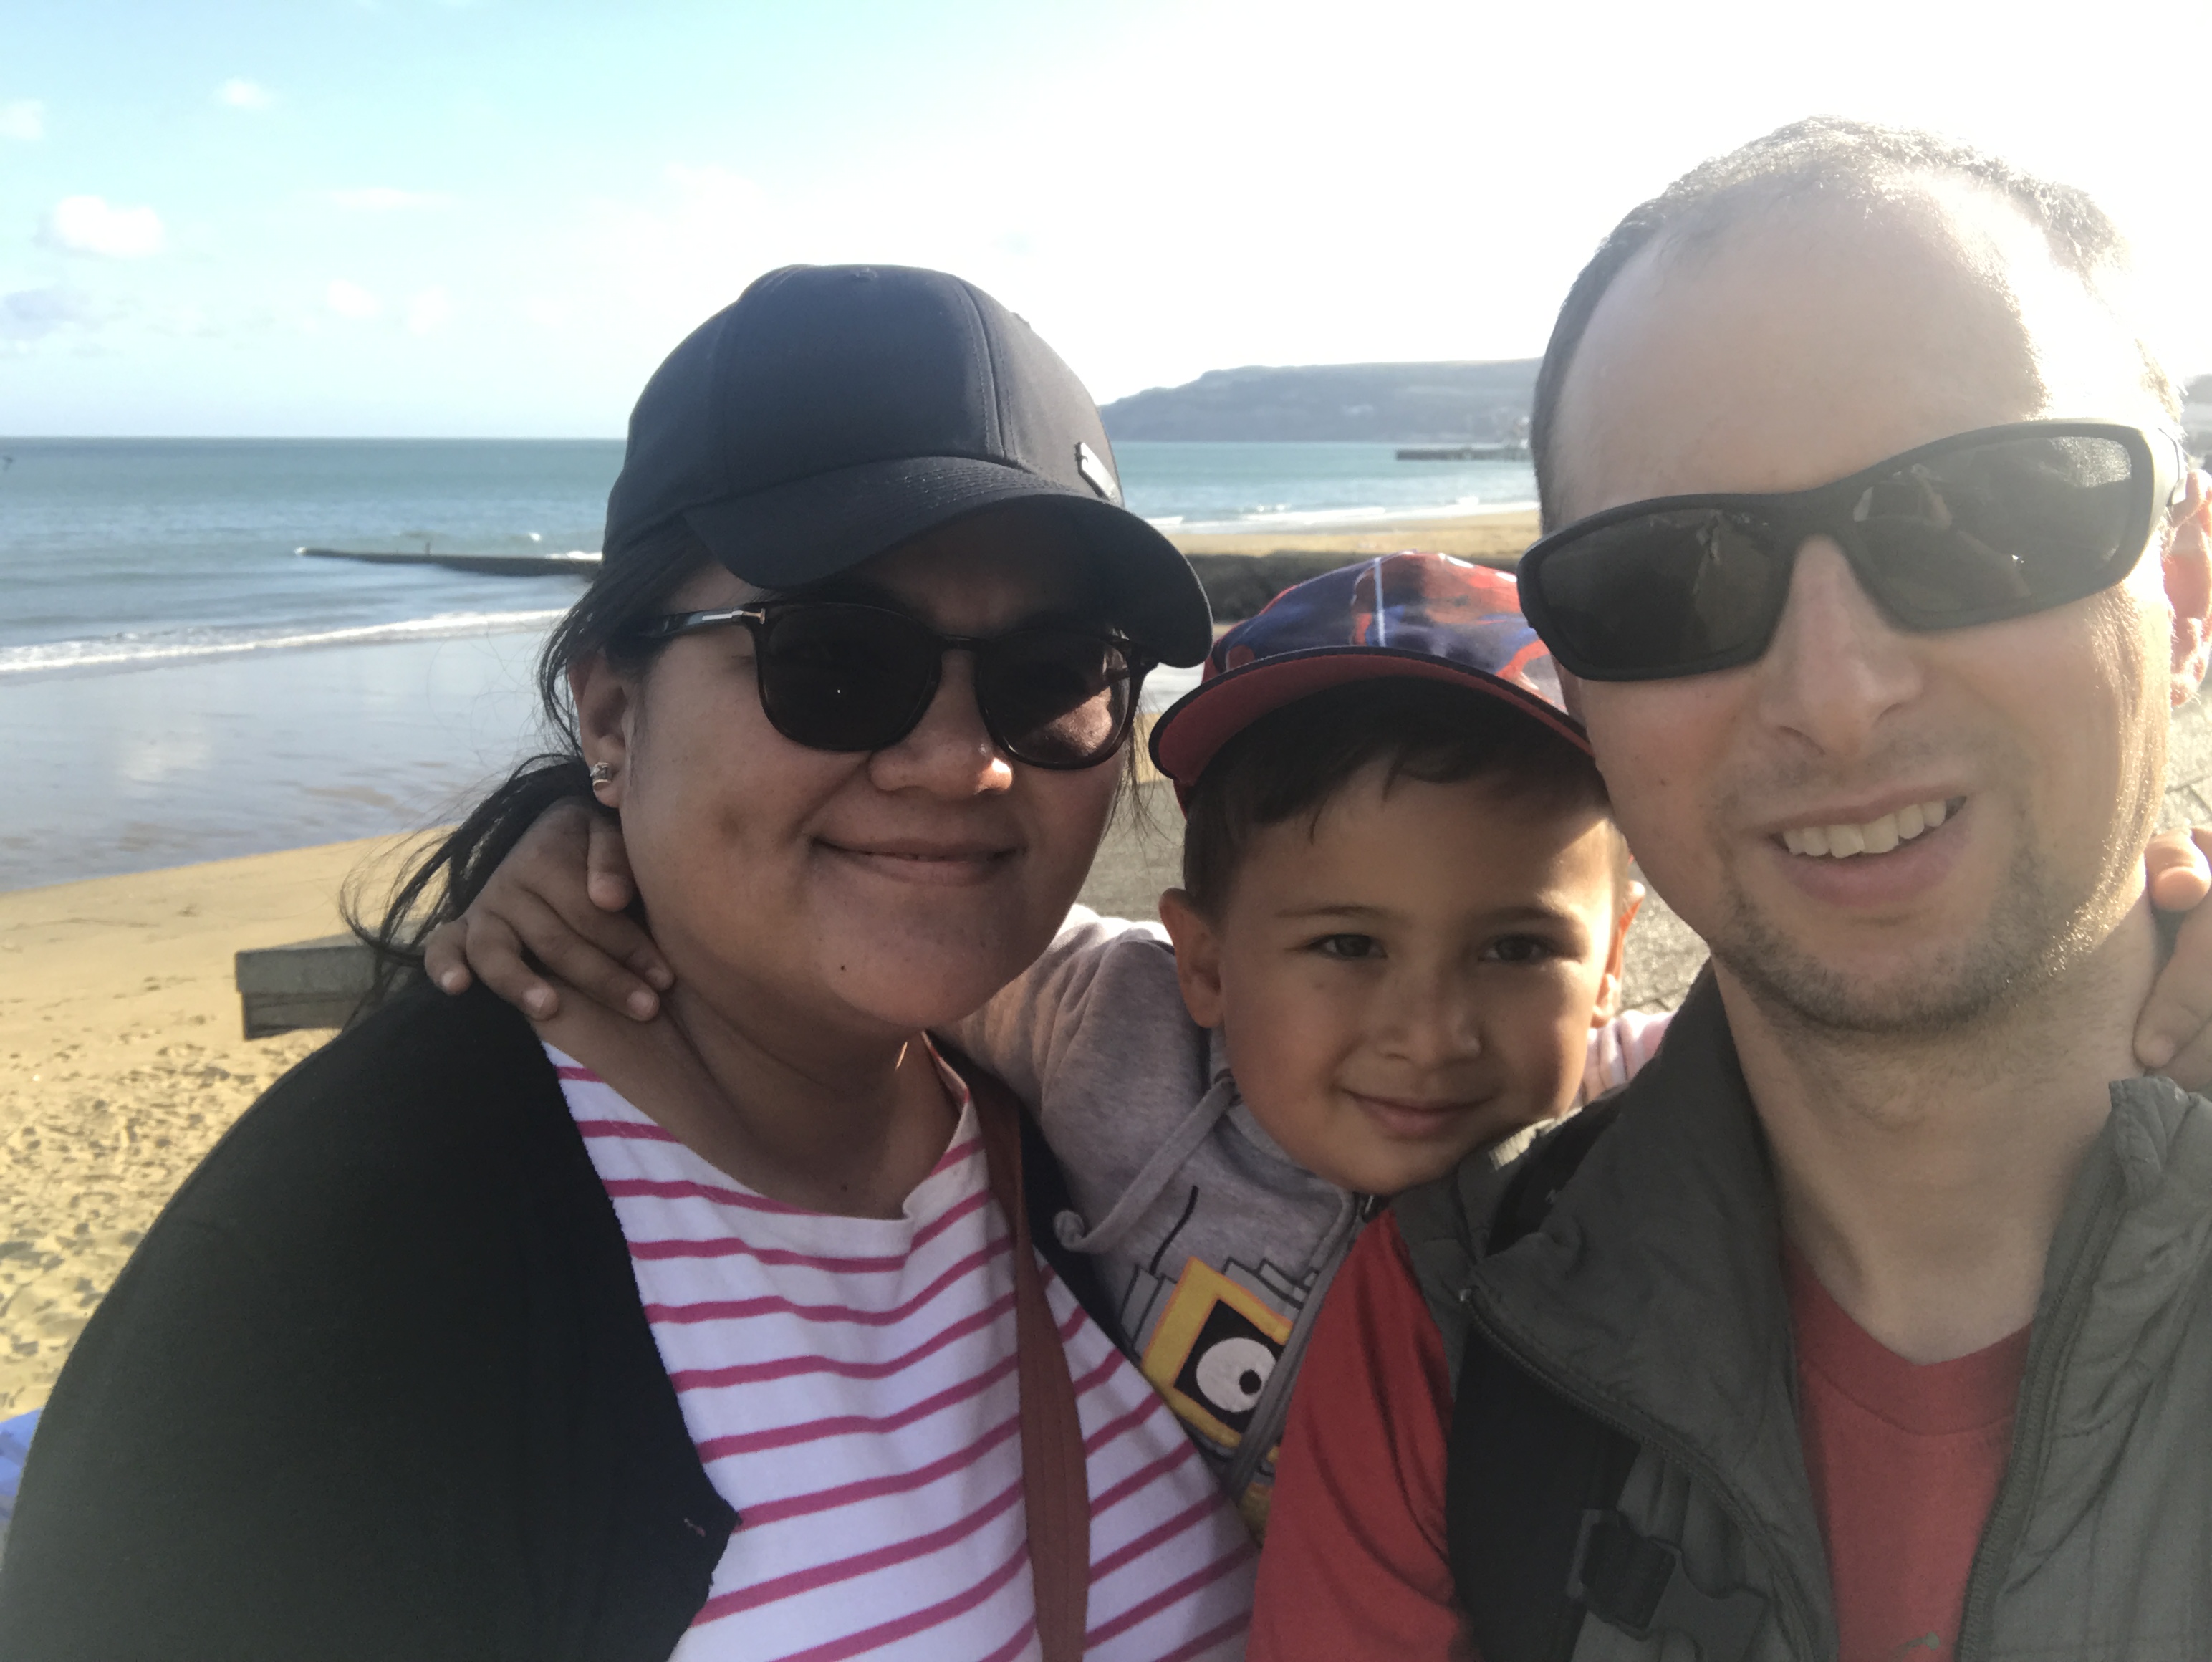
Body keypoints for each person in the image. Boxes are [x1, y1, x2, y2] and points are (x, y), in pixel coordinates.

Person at [0, 264, 1256, 1660]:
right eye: (835, 660)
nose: (964, 762)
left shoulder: (1076, 1101)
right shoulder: (357, 1278)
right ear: (610, 712)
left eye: (1053, 670)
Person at [1252, 119, 2212, 1661]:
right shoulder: (1453, 1330)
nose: (1836, 697)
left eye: (1987, 518)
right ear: (1584, 697)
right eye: (1669, 580)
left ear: (2183, 588)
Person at [428, 549, 1667, 1537]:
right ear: (1205, 962)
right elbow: (884, 926)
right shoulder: (1110, 1026)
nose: (1430, 1033)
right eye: (1347, 944)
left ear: (1614, 955)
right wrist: (599, 848)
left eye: (1518, 949)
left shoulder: (1653, 1131)